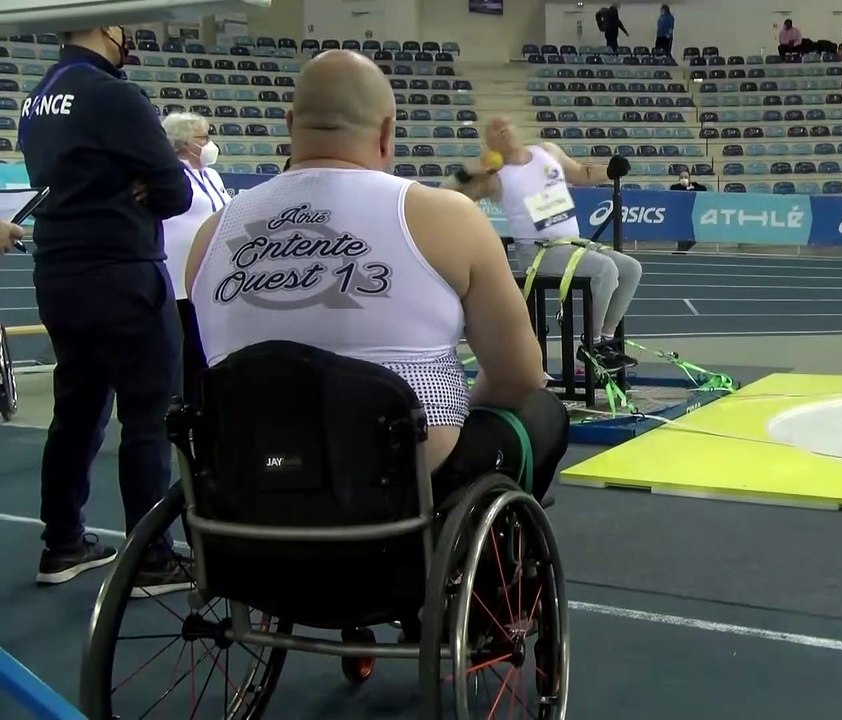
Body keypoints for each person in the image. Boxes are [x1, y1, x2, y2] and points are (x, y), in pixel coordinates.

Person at [184, 50, 567, 501]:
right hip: (402, 479)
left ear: (291, 125)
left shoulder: (211, 235)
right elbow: (520, 376)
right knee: (543, 413)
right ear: (387, 133)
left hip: (250, 474)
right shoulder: (446, 216)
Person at [19, 24, 193, 592]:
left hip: (59, 272)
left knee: (75, 410)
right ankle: (151, 558)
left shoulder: (39, 94)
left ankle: (62, 544)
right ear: (104, 22)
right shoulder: (113, 94)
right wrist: (145, 183)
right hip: (122, 272)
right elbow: (176, 190)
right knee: (147, 417)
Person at [448, 117, 642, 372]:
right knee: (605, 269)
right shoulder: (495, 178)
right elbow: (448, 197)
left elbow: (582, 173)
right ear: (489, 143)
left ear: (518, 129)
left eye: (506, 124)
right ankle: (591, 347)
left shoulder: (547, 152)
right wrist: (466, 172)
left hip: (573, 245)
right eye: (494, 128)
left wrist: (610, 171)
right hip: (539, 252)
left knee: (631, 269)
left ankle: (605, 341)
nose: (502, 129)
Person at [160, 111, 230, 402]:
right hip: (177, 277)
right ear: (184, 143)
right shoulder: (170, 174)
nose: (210, 143)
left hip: (211, 276)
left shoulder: (211, 175)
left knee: (206, 350)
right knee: (186, 352)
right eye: (203, 137)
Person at [668, 170, 706, 253]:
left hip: (692, 214)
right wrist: (685, 187)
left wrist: (694, 185)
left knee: (695, 236)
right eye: (681, 177)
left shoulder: (694, 186)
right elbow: (673, 192)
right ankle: (680, 253)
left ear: (689, 178)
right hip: (680, 216)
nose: (683, 178)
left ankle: (680, 252)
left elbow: (704, 189)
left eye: (686, 177)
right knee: (681, 238)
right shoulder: (675, 187)